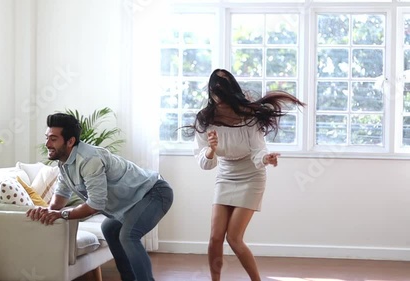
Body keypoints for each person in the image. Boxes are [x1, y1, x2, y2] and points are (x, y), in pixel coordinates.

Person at [188, 69, 305, 281]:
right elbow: (204, 163)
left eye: (223, 94)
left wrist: (266, 159)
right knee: (215, 237)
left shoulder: (248, 116)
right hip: (225, 174)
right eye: (215, 94)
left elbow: (257, 151)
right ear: (211, 93)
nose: (219, 99)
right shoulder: (205, 119)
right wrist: (211, 149)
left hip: (252, 176)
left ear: (232, 92)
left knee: (234, 238)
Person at [27, 112, 174, 281]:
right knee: (109, 229)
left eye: (53, 139)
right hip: (134, 201)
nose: (47, 144)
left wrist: (63, 214)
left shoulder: (89, 159)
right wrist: (46, 211)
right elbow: (60, 196)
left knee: (128, 235)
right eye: (47, 137)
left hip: (155, 192)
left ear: (70, 141)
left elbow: (95, 204)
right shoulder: (64, 164)